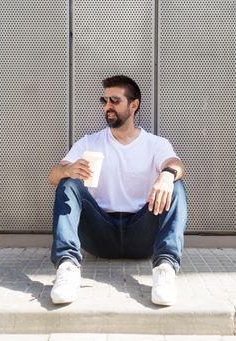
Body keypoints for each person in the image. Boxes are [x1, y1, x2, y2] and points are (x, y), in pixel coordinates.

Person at [48, 75, 187, 306]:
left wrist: (166, 175)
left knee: (175, 184)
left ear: (134, 105)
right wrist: (68, 169)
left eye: (115, 100)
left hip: (142, 234)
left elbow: (177, 164)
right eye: (104, 101)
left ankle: (165, 269)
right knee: (68, 182)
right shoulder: (89, 142)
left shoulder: (155, 144)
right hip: (99, 233)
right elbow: (52, 176)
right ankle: (67, 266)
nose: (107, 106)